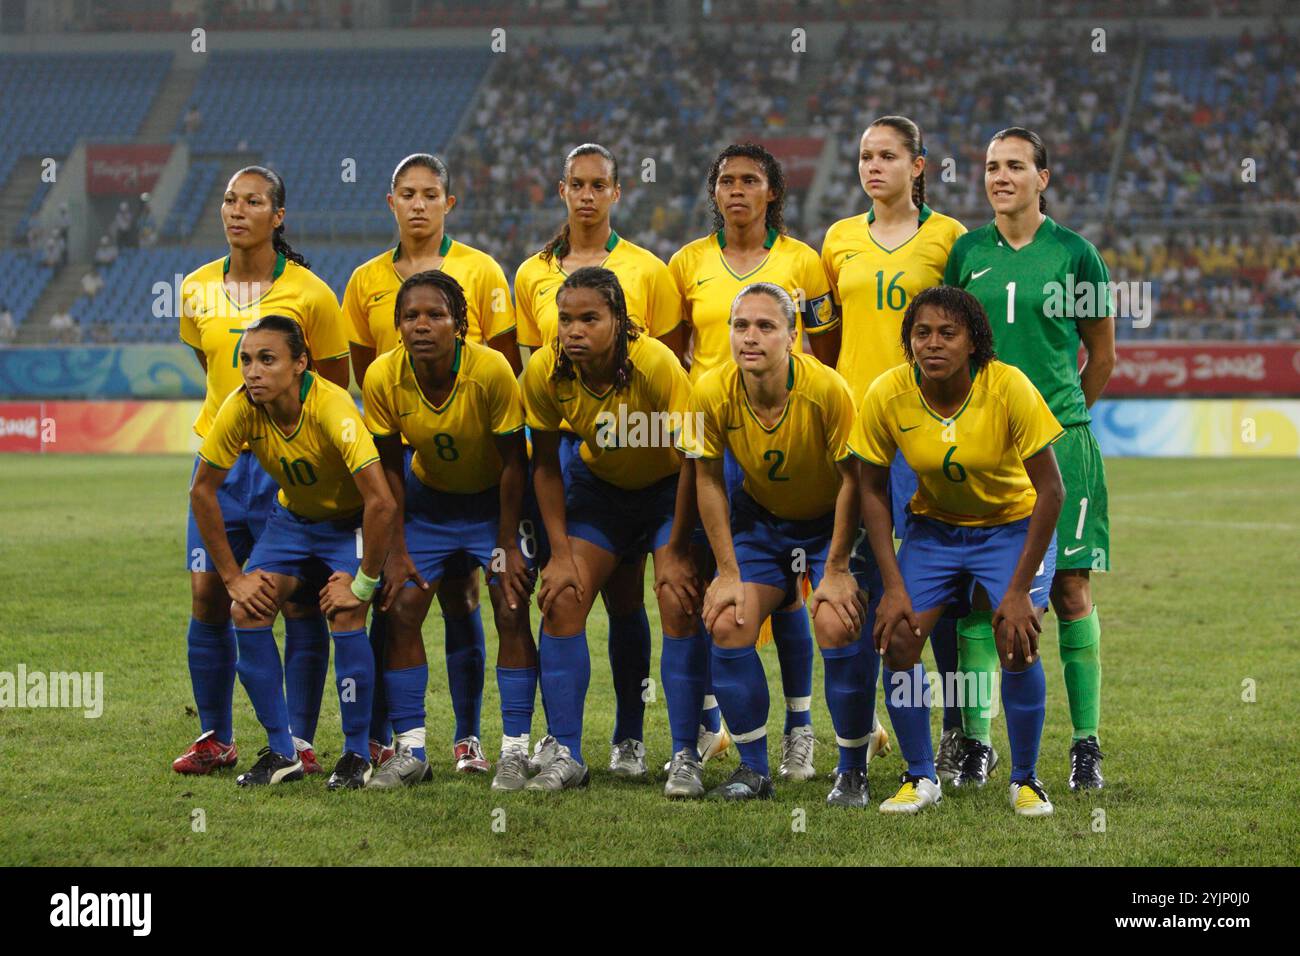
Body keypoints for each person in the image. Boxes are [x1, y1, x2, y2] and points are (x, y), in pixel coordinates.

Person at [849, 286, 1064, 816]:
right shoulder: (888, 393)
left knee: (1016, 638)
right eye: (922, 333)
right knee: (898, 638)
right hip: (935, 529)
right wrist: (892, 585)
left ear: (973, 342)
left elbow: (1051, 490)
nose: (933, 344)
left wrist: (1017, 592)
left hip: (1010, 527)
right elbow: (870, 489)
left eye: (949, 333)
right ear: (909, 341)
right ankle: (920, 776)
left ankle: (1026, 779)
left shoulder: (1008, 386)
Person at [944, 127, 1115, 790]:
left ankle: (1085, 745)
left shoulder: (1076, 256)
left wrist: (1062, 421)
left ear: (1044, 176)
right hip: (983, 451)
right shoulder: (966, 255)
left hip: (1060, 446)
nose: (1000, 176)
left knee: (1071, 589)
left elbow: (1100, 356)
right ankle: (979, 744)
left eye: (1015, 165)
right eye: (991, 166)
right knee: (979, 595)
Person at [515, 143, 691, 779]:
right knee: (563, 595)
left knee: (673, 594)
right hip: (599, 486)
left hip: (668, 486)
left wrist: (676, 544)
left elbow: (694, 451)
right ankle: (565, 751)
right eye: (565, 319)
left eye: (589, 319)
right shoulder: (542, 368)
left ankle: (674, 752)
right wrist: (558, 549)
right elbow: (541, 461)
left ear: (619, 319)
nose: (573, 330)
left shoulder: (656, 360)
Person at [344, 152, 521, 775]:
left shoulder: (481, 270)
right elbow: (367, 379)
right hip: (420, 479)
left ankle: (471, 740)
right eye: (406, 193)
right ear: (389, 202)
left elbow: (503, 374)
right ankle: (394, 742)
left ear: (450, 202)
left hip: (484, 470)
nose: (418, 204)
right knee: (403, 596)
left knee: (470, 597)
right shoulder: (365, 280)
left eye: (430, 193)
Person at [172, 165, 351, 778]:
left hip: (289, 468)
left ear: (278, 216)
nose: (236, 210)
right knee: (208, 593)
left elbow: (333, 380)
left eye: (252, 201)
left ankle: (297, 741)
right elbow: (209, 359)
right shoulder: (195, 288)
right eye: (228, 199)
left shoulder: (312, 293)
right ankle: (214, 736)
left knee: (296, 602)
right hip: (223, 463)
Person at [668, 142, 839, 780]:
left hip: (783, 435)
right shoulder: (686, 264)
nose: (737, 190)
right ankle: (709, 731)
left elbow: (826, 348)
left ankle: (799, 727)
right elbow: (673, 357)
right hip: (712, 439)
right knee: (718, 590)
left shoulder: (805, 261)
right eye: (726, 180)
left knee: (790, 595)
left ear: (772, 193)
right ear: (713, 192)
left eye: (750, 180)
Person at [820, 116, 969, 781]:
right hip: (856, 439)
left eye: (887, 156)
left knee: (933, 591)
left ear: (920, 166)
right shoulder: (838, 239)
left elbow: (962, 334)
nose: (872, 166)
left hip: (924, 436)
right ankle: (861, 735)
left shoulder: (949, 239)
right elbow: (828, 341)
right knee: (853, 579)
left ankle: (958, 730)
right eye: (864, 156)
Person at [190, 315, 397, 789]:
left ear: (301, 363)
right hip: (291, 524)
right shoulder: (240, 407)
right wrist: (232, 579)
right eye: (245, 360)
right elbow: (202, 491)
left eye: (267, 359)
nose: (252, 371)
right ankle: (284, 751)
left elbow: (380, 502)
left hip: (349, 526)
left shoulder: (332, 407)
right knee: (247, 608)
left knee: (345, 614)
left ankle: (355, 752)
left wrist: (363, 583)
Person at [691, 283, 875, 805]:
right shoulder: (708, 391)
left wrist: (836, 567)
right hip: (763, 523)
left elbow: (852, 480)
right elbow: (707, 479)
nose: (750, 337)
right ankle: (753, 769)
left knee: (837, 624)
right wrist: (726, 571)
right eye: (741, 325)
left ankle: (850, 771)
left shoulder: (828, 390)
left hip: (829, 527)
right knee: (729, 621)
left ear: (792, 338)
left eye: (766, 326)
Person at [360, 271, 535, 790]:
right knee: (403, 605)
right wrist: (394, 549)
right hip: (428, 504)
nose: (422, 325)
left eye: (435, 314)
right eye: (410, 316)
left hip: (493, 506)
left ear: (459, 324)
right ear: (396, 326)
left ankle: (515, 752)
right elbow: (389, 467)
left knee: (510, 604)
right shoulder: (382, 377)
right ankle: (411, 751)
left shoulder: (491, 369)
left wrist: (507, 545)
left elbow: (513, 463)